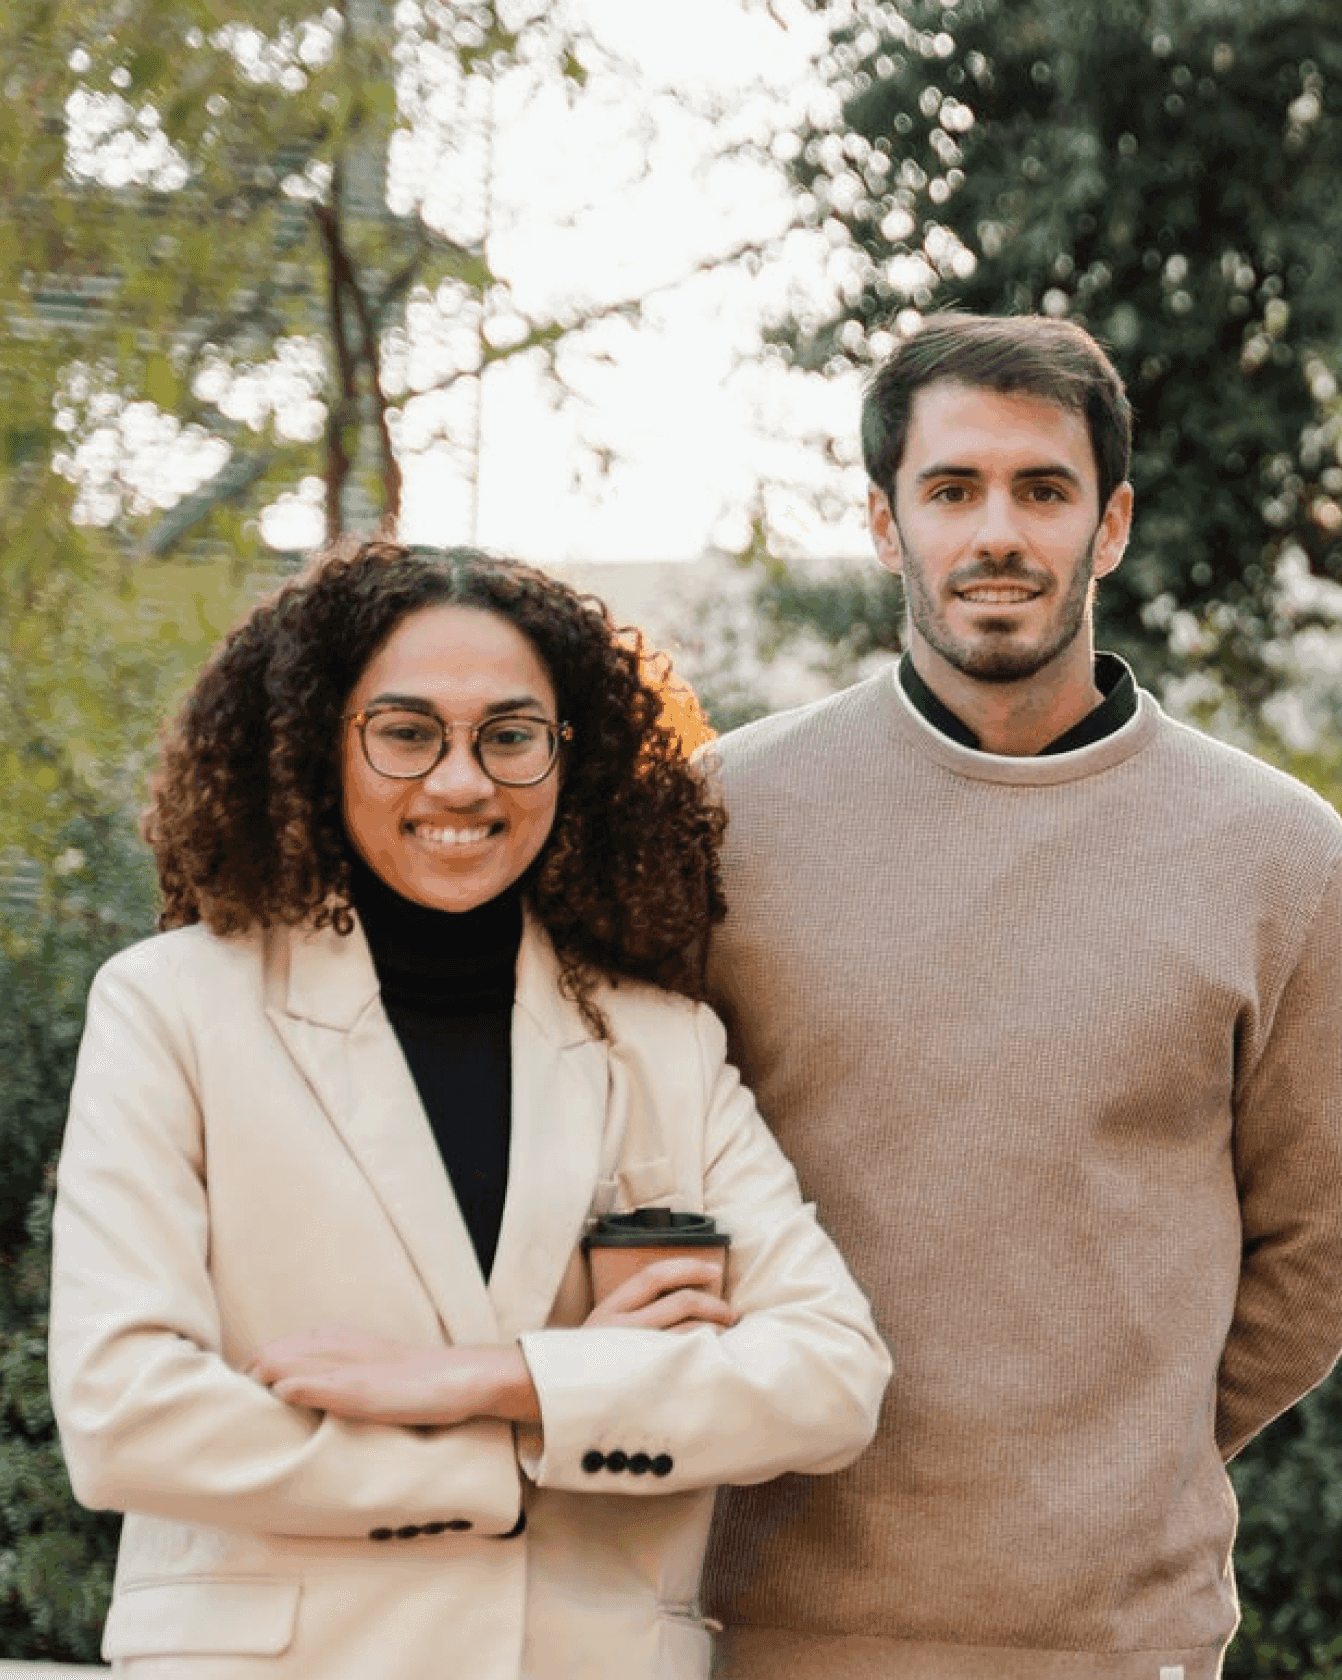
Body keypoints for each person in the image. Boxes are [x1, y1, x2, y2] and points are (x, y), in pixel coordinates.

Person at [47, 539, 891, 1680]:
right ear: (319, 745)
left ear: (570, 757)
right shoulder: (171, 1007)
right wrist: (515, 1452)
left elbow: (831, 1378)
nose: (462, 782)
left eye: (510, 735)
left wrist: (498, 1379)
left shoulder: (665, 1045)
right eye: (406, 734)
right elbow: (125, 1415)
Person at [699, 313, 1342, 1680]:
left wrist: (1131, 1457)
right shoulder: (725, 816)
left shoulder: (1280, 857)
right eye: (952, 490)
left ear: (1110, 524)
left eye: (1044, 490)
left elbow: (1319, 1246)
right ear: (886, 524)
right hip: (769, 1625)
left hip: (1115, 1638)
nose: (998, 533)